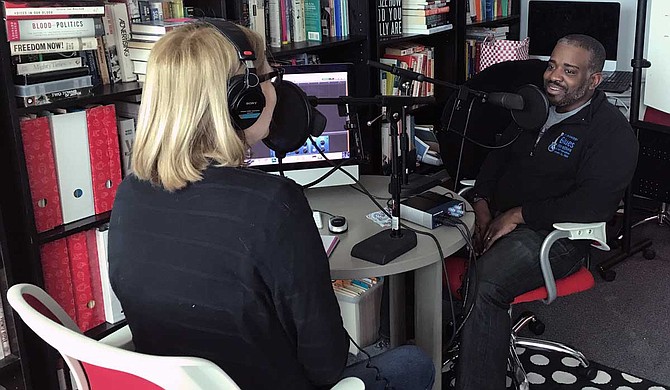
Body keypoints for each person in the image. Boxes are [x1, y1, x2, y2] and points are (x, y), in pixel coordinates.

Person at [107, 21, 435, 390]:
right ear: (243, 101)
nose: (277, 92)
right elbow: (327, 364)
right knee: (413, 363)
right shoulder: (273, 205)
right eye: (267, 77)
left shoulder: (128, 193)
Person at [454, 34, 639, 389]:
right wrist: (480, 203)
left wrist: (519, 215)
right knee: (425, 247)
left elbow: (594, 206)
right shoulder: (533, 108)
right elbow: (496, 158)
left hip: (558, 238)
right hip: (498, 217)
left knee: (484, 284)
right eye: (552, 65)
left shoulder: (611, 133)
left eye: (569, 71)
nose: (554, 76)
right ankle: (459, 347)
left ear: (593, 80)